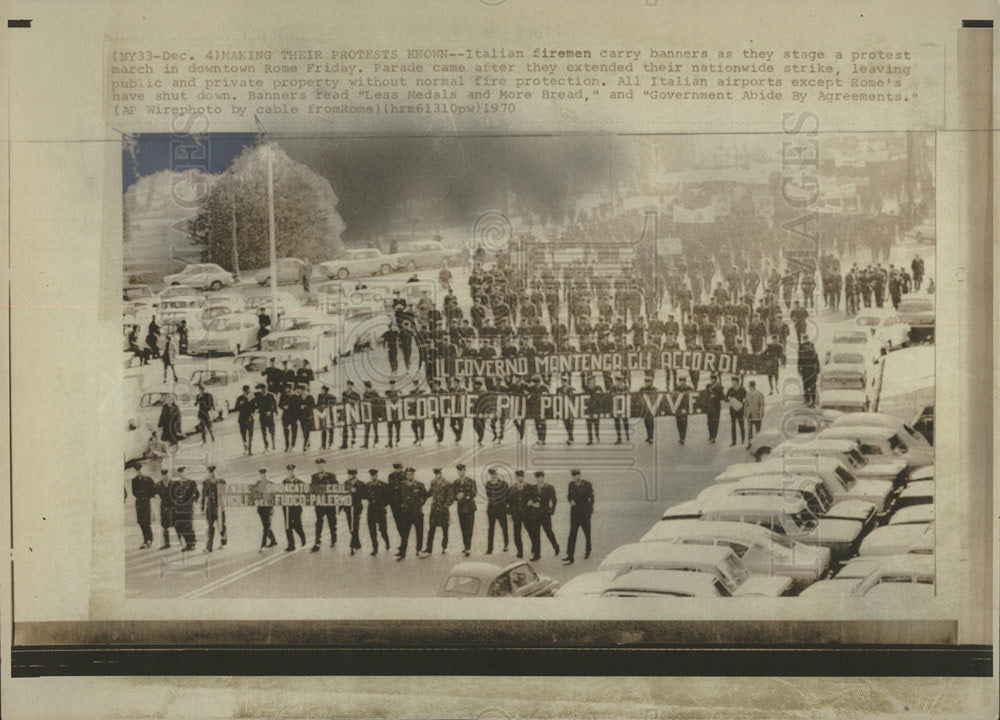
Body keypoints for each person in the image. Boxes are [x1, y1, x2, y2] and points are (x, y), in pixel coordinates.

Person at [562, 469, 594, 565]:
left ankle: (588, 550)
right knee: (572, 535)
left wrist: (589, 510)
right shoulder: (571, 485)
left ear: (580, 475)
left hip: (584, 514)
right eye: (574, 475)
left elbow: (592, 498)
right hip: (575, 514)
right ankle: (570, 555)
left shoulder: (587, 484)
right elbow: (569, 496)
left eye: (577, 475)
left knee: (587, 533)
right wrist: (570, 500)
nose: (575, 477)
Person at [527, 470, 559, 561]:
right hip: (535, 515)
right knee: (536, 534)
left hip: (545, 514)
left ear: (543, 477)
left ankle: (556, 546)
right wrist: (532, 504)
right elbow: (529, 500)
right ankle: (537, 554)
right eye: (537, 477)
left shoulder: (549, 487)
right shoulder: (533, 488)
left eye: (540, 477)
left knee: (548, 532)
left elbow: (554, 501)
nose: (539, 479)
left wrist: (551, 511)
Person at [397, 468, 428, 560]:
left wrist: (420, 503)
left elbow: (424, 495)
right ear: (405, 475)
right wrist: (402, 505)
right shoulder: (402, 485)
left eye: (410, 474)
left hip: (417, 512)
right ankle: (403, 553)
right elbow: (398, 497)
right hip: (406, 513)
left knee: (419, 532)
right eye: (407, 474)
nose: (409, 476)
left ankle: (419, 550)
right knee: (405, 533)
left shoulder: (419, 485)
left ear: (413, 474)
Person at [422, 468, 453, 556]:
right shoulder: (433, 482)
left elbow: (450, 498)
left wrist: (445, 505)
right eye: (435, 474)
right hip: (434, 510)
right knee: (431, 529)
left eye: (438, 473)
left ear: (441, 473)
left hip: (443, 510)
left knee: (445, 529)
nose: (436, 475)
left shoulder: (447, 483)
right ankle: (428, 549)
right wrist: (422, 495)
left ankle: (444, 547)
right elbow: (430, 493)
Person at [309, 458, 338, 552]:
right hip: (319, 504)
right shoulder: (314, 476)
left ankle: (333, 539)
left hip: (329, 504)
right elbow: (312, 489)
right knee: (319, 523)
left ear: (324, 466)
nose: (320, 467)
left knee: (332, 523)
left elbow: (336, 488)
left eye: (322, 465)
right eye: (318, 465)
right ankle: (317, 541)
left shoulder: (331, 476)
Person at [171, 466, 199, 551]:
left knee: (188, 525)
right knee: (181, 526)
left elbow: (196, 494)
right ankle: (189, 542)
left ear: (186, 473)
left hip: (187, 508)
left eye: (184, 473)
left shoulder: (191, 483)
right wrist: (176, 501)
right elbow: (172, 495)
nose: (182, 475)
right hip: (179, 508)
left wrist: (190, 502)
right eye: (181, 473)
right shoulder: (175, 484)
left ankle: (191, 544)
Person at [452, 464, 477, 557]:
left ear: (464, 470)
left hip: (470, 508)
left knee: (469, 528)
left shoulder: (471, 481)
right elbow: (453, 494)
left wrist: (464, 496)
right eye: (458, 471)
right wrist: (456, 497)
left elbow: (474, 493)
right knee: (463, 528)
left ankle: (468, 547)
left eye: (461, 470)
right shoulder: (455, 482)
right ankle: (465, 546)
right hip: (461, 509)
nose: (459, 472)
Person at [365, 468, 391, 556]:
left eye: (374, 475)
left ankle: (387, 542)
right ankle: (375, 548)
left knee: (383, 530)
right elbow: (365, 495)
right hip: (371, 510)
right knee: (372, 531)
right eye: (372, 475)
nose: (373, 477)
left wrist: (383, 505)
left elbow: (388, 498)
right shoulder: (368, 485)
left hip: (380, 510)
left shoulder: (383, 485)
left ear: (377, 475)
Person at [201, 465, 226, 552]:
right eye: (211, 473)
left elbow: (223, 494)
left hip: (219, 507)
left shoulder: (221, 482)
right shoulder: (206, 483)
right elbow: (204, 495)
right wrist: (202, 507)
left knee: (221, 526)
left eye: (214, 473)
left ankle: (223, 541)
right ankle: (209, 547)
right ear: (208, 474)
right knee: (210, 526)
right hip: (210, 507)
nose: (212, 475)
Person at [281, 464, 306, 551]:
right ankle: (291, 545)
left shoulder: (300, 482)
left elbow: (304, 495)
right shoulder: (284, 482)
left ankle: (302, 536)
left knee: (297, 524)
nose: (291, 472)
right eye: (289, 471)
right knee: (288, 526)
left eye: (293, 471)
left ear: (295, 471)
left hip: (296, 507)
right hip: (287, 507)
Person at [251, 468, 278, 552]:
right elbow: (253, 494)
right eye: (262, 474)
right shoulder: (257, 484)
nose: (263, 476)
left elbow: (275, 496)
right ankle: (273, 540)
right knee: (266, 526)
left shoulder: (271, 484)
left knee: (266, 527)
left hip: (269, 508)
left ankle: (263, 545)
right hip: (261, 508)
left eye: (265, 474)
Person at [484, 467, 509, 554]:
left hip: (501, 509)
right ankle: (489, 549)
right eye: (491, 475)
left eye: (494, 474)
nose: (492, 476)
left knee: (504, 527)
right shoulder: (488, 484)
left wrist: (504, 505)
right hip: (491, 509)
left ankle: (506, 545)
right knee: (491, 529)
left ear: (496, 474)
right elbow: (489, 495)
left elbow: (507, 496)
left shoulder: (503, 484)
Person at [130, 464, 156, 549]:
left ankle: (149, 539)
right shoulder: (134, 480)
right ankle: (146, 539)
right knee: (141, 522)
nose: (139, 472)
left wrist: (147, 497)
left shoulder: (148, 479)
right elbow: (134, 492)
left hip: (146, 502)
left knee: (146, 522)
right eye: (137, 471)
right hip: (139, 502)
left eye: (141, 470)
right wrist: (140, 496)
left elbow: (153, 490)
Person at [506, 470, 528, 559]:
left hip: (527, 514)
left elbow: (533, 498)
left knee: (531, 531)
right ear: (516, 478)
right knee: (517, 533)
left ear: (523, 477)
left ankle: (535, 548)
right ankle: (520, 551)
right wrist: (509, 513)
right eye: (518, 477)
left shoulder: (528, 487)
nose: (520, 478)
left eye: (521, 476)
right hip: (516, 514)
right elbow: (508, 502)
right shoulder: (512, 488)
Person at [343, 469, 365, 555]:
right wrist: (342, 506)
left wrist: (356, 491)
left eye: (350, 474)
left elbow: (364, 495)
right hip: (348, 508)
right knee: (350, 525)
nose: (349, 476)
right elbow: (343, 495)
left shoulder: (360, 484)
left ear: (354, 475)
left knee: (355, 525)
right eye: (349, 474)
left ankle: (352, 545)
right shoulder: (346, 483)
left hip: (356, 507)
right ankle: (357, 543)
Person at [155, 469, 178, 549]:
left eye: (166, 475)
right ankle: (167, 543)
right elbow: (154, 493)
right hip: (164, 506)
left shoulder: (174, 483)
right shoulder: (159, 484)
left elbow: (177, 495)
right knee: (164, 525)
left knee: (176, 524)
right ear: (162, 475)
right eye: (163, 475)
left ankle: (181, 540)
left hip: (172, 506)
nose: (165, 476)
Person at [700, 374, 725, 444]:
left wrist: (715, 396)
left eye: (713, 379)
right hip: (710, 406)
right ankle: (711, 435)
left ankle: (713, 437)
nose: (712, 380)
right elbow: (705, 395)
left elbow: (722, 397)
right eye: (711, 379)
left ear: (715, 379)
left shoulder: (719, 387)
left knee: (715, 422)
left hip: (716, 406)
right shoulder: (708, 386)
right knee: (710, 422)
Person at [725, 376, 747, 447]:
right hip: (733, 410)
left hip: (740, 409)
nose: (732, 383)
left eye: (733, 381)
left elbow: (746, 398)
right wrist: (729, 399)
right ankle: (734, 441)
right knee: (733, 426)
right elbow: (726, 398)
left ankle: (743, 439)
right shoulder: (730, 390)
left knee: (741, 424)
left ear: (737, 382)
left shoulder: (742, 389)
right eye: (732, 381)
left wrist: (743, 404)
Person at [234, 385, 256, 455]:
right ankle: (245, 448)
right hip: (242, 418)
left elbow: (254, 407)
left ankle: (250, 449)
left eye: (249, 391)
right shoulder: (240, 398)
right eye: (247, 391)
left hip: (250, 418)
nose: (248, 393)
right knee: (243, 434)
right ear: (244, 391)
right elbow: (236, 408)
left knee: (250, 434)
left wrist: (253, 413)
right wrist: (241, 404)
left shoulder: (252, 398)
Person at [255, 383, 277, 452]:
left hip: (270, 415)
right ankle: (266, 445)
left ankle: (273, 443)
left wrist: (271, 412)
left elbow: (274, 405)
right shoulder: (258, 396)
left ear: (265, 389)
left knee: (272, 430)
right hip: (262, 415)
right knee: (263, 431)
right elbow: (256, 405)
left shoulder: (271, 395)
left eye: (263, 389)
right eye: (260, 389)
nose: (262, 391)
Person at [797, 340, 820, 406]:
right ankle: (813, 400)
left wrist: (799, 369)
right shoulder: (813, 350)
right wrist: (818, 370)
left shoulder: (802, 351)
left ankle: (807, 399)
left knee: (806, 384)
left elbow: (799, 360)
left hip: (805, 370)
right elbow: (817, 360)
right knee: (813, 385)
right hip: (812, 370)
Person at [745, 380, 765, 449]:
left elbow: (762, 405)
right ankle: (750, 444)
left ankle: (758, 444)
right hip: (750, 414)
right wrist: (746, 412)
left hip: (757, 415)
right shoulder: (748, 394)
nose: (749, 388)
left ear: (753, 387)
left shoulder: (759, 394)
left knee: (758, 430)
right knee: (750, 430)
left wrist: (761, 414)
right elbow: (746, 404)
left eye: (750, 387)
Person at [638, 372, 658, 444]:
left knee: (651, 422)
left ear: (651, 382)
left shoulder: (654, 389)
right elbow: (639, 397)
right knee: (646, 422)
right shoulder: (642, 389)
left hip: (651, 408)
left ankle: (651, 437)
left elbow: (657, 397)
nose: (647, 383)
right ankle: (649, 436)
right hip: (645, 408)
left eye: (648, 381)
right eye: (646, 381)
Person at [341, 380, 361, 449]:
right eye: (347, 385)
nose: (348, 386)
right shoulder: (344, 393)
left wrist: (352, 401)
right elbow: (342, 402)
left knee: (353, 428)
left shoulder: (355, 394)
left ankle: (353, 441)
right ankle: (344, 443)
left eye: (349, 385)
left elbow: (359, 402)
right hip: (346, 413)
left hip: (353, 413)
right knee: (345, 428)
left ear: (352, 386)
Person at [361, 381, 381, 448]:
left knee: (375, 429)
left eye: (366, 387)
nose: (365, 388)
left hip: (374, 413)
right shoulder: (365, 394)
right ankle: (366, 444)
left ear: (368, 386)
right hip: (368, 414)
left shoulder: (374, 393)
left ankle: (376, 442)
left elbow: (379, 401)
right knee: (367, 429)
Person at [673, 374, 693, 444]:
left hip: (684, 407)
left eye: (682, 381)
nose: (681, 382)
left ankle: (683, 437)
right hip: (677, 407)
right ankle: (680, 436)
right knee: (678, 422)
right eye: (680, 381)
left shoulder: (688, 388)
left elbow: (692, 396)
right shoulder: (676, 388)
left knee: (684, 422)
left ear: (685, 381)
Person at [316, 385, 336, 450]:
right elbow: (318, 404)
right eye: (322, 390)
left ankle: (330, 443)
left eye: (323, 390)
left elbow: (335, 400)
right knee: (323, 429)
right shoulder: (320, 396)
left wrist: (328, 405)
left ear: (326, 391)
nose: (322, 391)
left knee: (330, 429)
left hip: (329, 414)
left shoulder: (330, 396)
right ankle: (323, 445)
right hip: (323, 415)